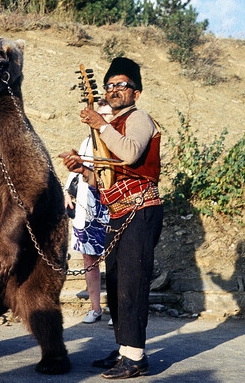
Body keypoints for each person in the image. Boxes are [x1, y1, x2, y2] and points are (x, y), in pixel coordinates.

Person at [61, 57, 163, 379]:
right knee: (118, 282)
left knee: (132, 281)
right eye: (110, 86)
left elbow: (131, 154)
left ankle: (136, 358)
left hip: (141, 210)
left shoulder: (139, 118)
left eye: (122, 85)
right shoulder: (111, 128)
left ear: (136, 92)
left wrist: (100, 125)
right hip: (119, 214)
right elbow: (107, 180)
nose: (115, 90)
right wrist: (84, 171)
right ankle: (124, 350)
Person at [63, 100, 112, 324]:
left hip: (111, 210)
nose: (102, 118)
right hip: (86, 210)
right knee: (89, 260)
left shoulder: (116, 141)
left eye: (107, 114)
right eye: (99, 114)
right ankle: (95, 308)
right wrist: (67, 191)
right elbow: (76, 171)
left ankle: (117, 310)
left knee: (115, 262)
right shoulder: (86, 142)